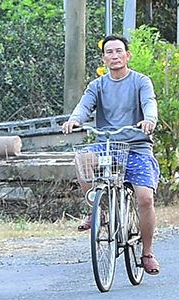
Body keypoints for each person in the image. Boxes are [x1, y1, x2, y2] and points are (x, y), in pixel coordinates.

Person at [62, 34, 161, 275]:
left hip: (137, 148)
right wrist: (74, 119)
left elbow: (150, 103)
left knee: (145, 199)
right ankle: (99, 211)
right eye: (109, 52)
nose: (114, 56)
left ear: (128, 55)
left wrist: (149, 120)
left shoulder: (140, 81)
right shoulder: (97, 86)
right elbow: (84, 106)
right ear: (103, 58)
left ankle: (147, 253)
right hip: (108, 147)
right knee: (82, 159)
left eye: (119, 51)